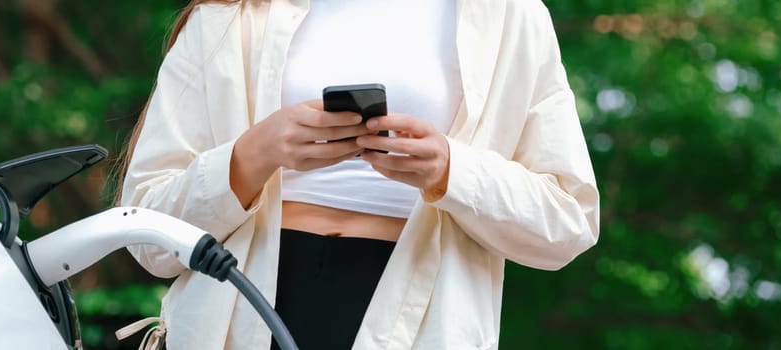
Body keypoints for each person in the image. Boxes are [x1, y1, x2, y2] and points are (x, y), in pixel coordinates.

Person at [117, 0, 600, 348]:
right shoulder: (227, 14)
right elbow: (146, 235)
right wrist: (254, 153)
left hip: (419, 315)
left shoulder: (511, 17)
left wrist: (451, 170)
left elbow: (568, 221)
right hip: (240, 301)